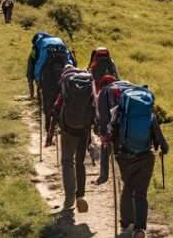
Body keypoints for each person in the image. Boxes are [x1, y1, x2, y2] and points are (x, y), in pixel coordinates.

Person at [111, 84, 168, 238]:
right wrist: (163, 148)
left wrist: (114, 150)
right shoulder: (150, 116)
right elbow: (163, 144)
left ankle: (126, 223)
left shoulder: (119, 113)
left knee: (128, 188)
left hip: (125, 157)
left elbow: (111, 132)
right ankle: (140, 228)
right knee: (141, 194)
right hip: (145, 157)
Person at [46, 65, 95, 213]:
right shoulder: (88, 84)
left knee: (67, 161)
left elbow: (56, 109)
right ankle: (81, 196)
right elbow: (94, 108)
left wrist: (50, 133)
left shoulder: (66, 86)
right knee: (80, 163)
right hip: (84, 129)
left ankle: (69, 201)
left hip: (68, 129)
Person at [93, 72, 129, 185]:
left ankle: (103, 176)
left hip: (113, 129)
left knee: (105, 148)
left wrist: (102, 134)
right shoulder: (126, 88)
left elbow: (103, 117)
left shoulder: (104, 92)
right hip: (128, 128)